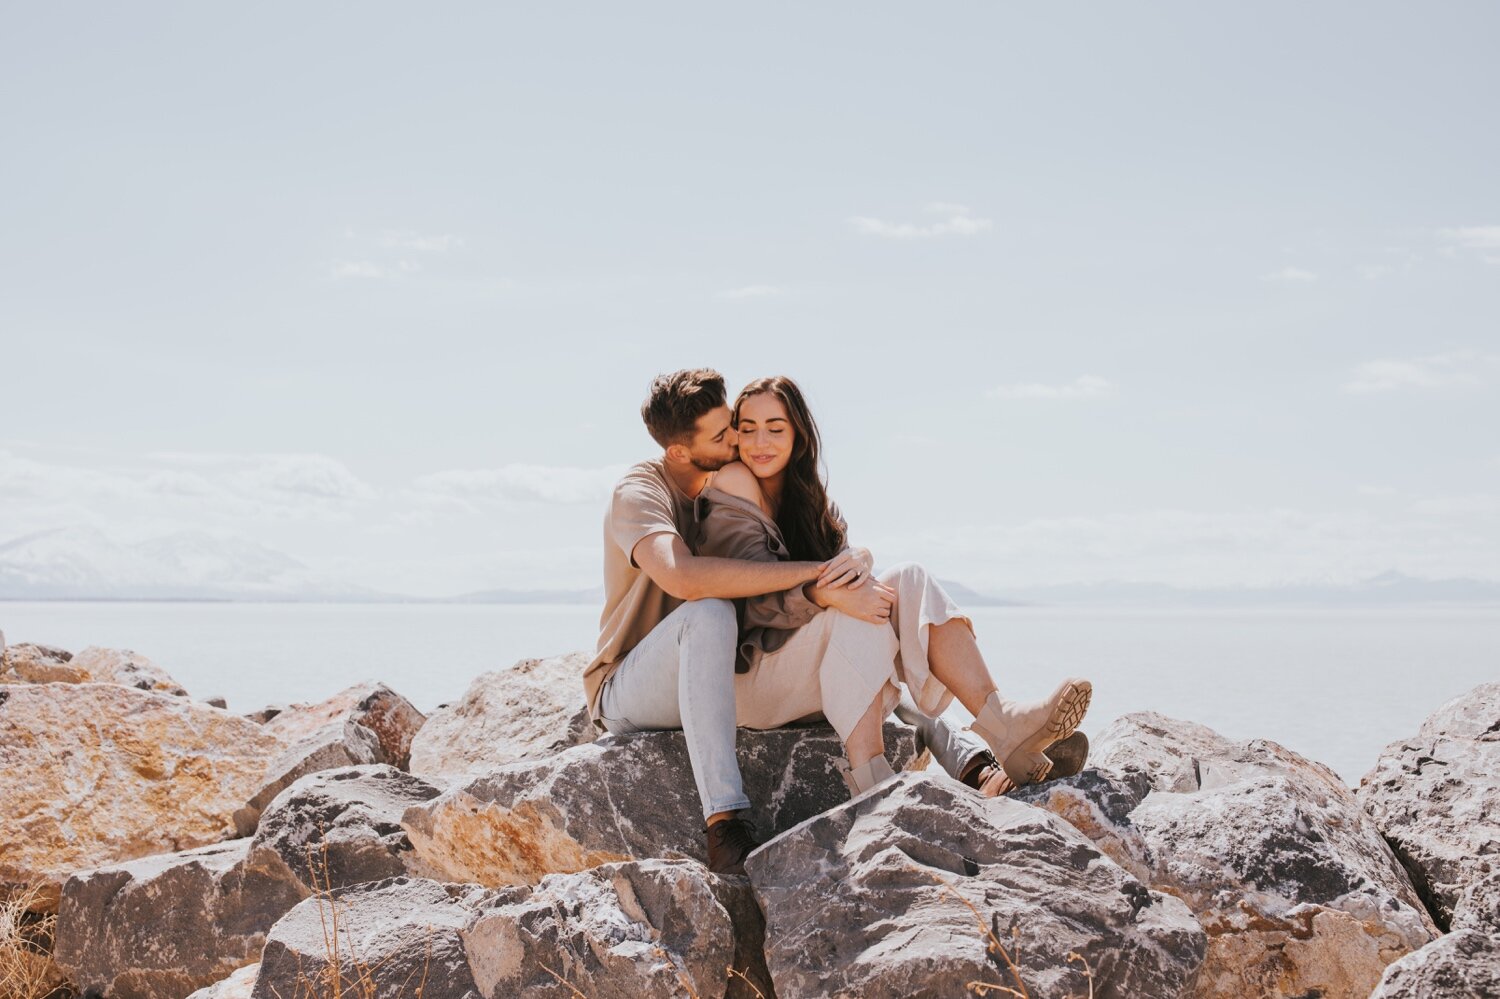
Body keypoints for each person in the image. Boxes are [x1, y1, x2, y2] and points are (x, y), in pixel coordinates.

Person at [693, 375, 1092, 803]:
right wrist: (820, 594)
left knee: (909, 579)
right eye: (748, 428)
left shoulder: (813, 503)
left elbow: (855, 582)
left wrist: (858, 562)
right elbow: (741, 601)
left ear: (798, 435)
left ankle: (1003, 724)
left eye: (775, 427)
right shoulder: (731, 487)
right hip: (755, 678)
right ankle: (879, 782)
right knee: (861, 613)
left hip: (811, 669)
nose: (759, 442)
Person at [587, 368, 830, 875]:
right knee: (709, 610)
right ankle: (724, 823)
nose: (740, 441)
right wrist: (814, 573)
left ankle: (959, 746)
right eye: (723, 436)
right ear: (679, 452)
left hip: (712, 678)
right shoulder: (639, 493)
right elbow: (685, 580)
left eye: (732, 426)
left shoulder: (732, 489)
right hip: (630, 689)